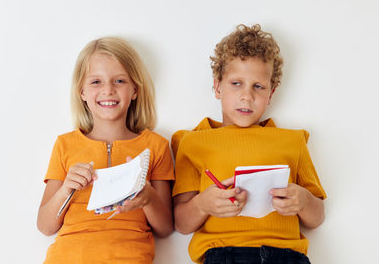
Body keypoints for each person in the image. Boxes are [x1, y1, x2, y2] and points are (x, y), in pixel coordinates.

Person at [172, 24, 326, 264]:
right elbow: (181, 223)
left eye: (258, 86)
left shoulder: (293, 141)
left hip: (287, 257)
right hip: (224, 255)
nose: (247, 95)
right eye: (236, 83)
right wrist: (203, 204)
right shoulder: (192, 141)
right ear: (217, 86)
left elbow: (316, 218)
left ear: (271, 94)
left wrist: (304, 200)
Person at [37, 37, 174, 264]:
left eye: (119, 81)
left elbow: (165, 228)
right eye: (96, 82)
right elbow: (44, 226)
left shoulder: (155, 146)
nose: (108, 90)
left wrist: (148, 197)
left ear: (135, 90)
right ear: (81, 92)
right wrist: (66, 189)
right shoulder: (65, 144)